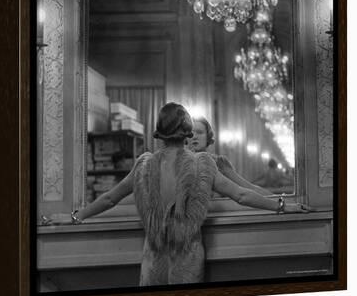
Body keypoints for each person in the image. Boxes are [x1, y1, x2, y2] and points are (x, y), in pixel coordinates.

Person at [71, 102, 310, 286]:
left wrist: (75, 217)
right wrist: (283, 205)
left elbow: (110, 198)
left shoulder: (143, 165)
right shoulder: (202, 165)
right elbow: (241, 195)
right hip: (188, 258)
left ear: (159, 132)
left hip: (152, 261)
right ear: (186, 132)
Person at [188, 116, 270, 196]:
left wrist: (277, 199)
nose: (194, 137)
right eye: (191, 134)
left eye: (199, 132)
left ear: (208, 136)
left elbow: (246, 187)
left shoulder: (218, 163)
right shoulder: (180, 161)